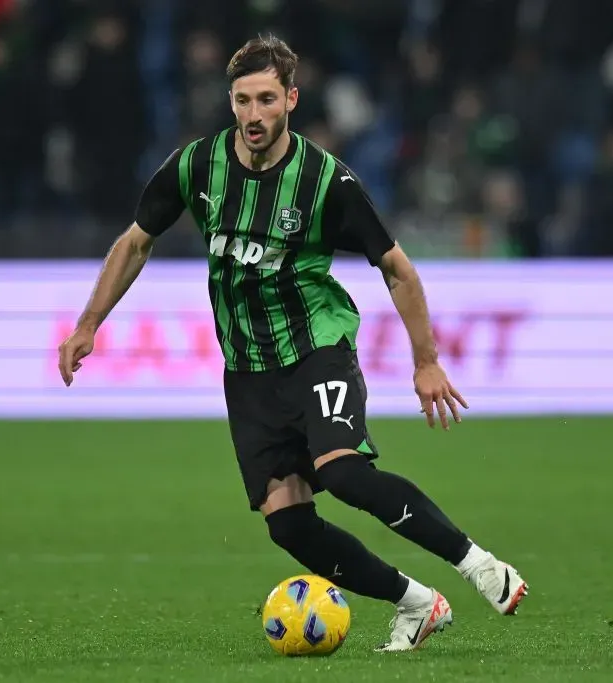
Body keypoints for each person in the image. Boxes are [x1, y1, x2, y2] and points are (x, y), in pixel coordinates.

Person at [57, 35, 528, 652]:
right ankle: (415, 603)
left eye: (267, 100)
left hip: (316, 348)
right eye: (243, 101)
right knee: (288, 525)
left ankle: (480, 566)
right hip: (248, 370)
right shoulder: (197, 166)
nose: (254, 115)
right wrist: (89, 322)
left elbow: (397, 269)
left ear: (292, 100)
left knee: (345, 473)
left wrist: (427, 362)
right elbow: (137, 240)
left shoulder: (326, 181)